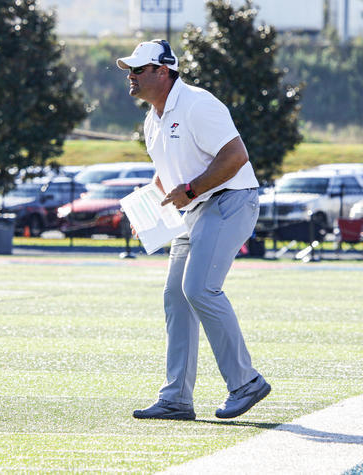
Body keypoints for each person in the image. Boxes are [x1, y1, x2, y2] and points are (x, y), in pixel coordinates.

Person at [117, 40, 270, 421]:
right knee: (176, 297)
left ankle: (246, 382)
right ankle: (176, 398)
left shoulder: (198, 104)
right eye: (130, 71)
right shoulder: (153, 118)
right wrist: (148, 212)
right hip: (197, 210)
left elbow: (235, 157)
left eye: (139, 69)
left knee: (198, 288)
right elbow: (167, 175)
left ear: (163, 71)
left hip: (230, 201)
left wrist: (190, 190)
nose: (131, 77)